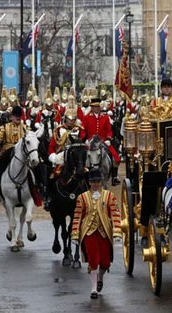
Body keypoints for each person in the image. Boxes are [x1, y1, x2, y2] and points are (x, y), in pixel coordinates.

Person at [71, 169, 120, 299]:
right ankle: (93, 289)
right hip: (89, 232)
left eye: (98, 181)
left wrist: (117, 233)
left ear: (101, 182)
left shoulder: (109, 196)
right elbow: (77, 217)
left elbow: (115, 215)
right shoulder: (82, 198)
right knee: (93, 260)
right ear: (89, 183)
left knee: (105, 262)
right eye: (93, 182)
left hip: (104, 232)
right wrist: (75, 234)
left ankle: (100, 277)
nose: (96, 184)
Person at [45, 104, 85, 210]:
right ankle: (49, 197)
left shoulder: (80, 130)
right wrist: (53, 157)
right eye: (69, 119)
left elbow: (83, 144)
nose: (71, 122)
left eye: (73, 120)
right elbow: (52, 147)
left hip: (76, 157)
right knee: (52, 175)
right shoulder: (58, 130)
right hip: (61, 156)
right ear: (65, 119)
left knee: (86, 172)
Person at [0, 106, 29, 203]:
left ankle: (39, 188)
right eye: (16, 116)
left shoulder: (25, 127)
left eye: (19, 116)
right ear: (11, 116)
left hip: (22, 151)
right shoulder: (5, 127)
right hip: (8, 150)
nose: (18, 118)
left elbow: (30, 137)